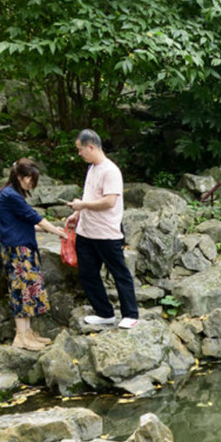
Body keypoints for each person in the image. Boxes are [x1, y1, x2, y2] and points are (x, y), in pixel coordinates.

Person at [65, 128, 139, 329]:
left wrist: (82, 205)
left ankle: (130, 314)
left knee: (119, 273)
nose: (79, 153)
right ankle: (104, 313)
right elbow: (89, 196)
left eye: (80, 149)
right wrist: (76, 214)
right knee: (87, 274)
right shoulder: (92, 169)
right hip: (86, 232)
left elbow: (109, 201)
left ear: (91, 146)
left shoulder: (110, 171)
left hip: (107, 233)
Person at [0, 158, 67, 351]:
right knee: (21, 290)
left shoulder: (12, 194)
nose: (31, 183)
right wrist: (59, 232)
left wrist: (50, 230)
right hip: (17, 249)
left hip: (22, 247)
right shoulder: (10, 195)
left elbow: (24, 223)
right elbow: (36, 218)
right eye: (29, 178)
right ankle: (20, 336)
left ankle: (27, 333)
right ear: (19, 176)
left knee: (28, 290)